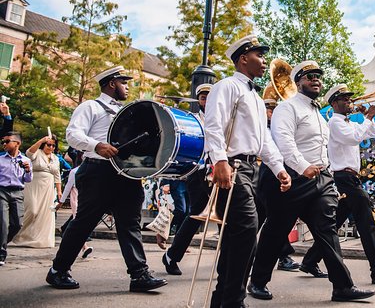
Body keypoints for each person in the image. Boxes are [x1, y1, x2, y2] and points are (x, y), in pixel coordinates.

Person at [249, 61, 375, 303]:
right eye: (309, 76)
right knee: (276, 230)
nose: (315, 79)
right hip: (291, 177)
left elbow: (321, 146)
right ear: (298, 82)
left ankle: (342, 287)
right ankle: (257, 281)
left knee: (327, 230)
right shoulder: (288, 108)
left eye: (318, 76)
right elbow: (284, 142)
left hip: (320, 179)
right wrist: (301, 166)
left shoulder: (317, 112)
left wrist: (325, 171)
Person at [46, 66, 167, 292]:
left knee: (130, 223)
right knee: (84, 223)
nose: (128, 86)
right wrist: (96, 145)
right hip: (98, 171)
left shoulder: (129, 112)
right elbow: (73, 134)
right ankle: (58, 271)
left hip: (126, 173)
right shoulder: (90, 106)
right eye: (124, 82)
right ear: (112, 83)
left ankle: (139, 275)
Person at [204, 35, 291, 308]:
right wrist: (219, 160)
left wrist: (279, 168)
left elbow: (263, 140)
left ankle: (223, 299)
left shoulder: (254, 96)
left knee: (235, 238)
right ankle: (233, 300)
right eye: (259, 55)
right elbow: (214, 125)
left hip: (250, 169)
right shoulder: (226, 86)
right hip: (233, 167)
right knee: (246, 234)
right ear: (243, 58)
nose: (264, 61)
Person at [300, 84, 375, 285]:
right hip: (342, 179)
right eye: (345, 99)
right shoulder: (335, 123)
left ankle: (310, 261)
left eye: (349, 99)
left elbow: (368, 134)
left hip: (350, 179)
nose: (349, 102)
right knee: (366, 224)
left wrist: (366, 118)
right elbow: (354, 137)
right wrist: (369, 117)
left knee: (334, 223)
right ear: (334, 103)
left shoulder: (348, 122)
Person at [162, 82, 215, 275]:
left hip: (221, 170)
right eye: (203, 98)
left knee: (230, 217)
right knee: (195, 215)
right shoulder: (192, 120)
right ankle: (172, 256)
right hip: (199, 172)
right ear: (199, 101)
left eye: (210, 97)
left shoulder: (222, 118)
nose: (207, 101)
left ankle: (229, 264)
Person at [257, 97, 300, 272]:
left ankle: (282, 256)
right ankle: (280, 256)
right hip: (266, 174)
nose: (272, 113)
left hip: (281, 173)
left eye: (274, 110)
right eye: (269, 110)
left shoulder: (282, 126)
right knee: (267, 218)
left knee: (273, 217)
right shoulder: (262, 128)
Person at [11, 135, 62, 248]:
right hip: (33, 184)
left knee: (45, 214)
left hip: (48, 187)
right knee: (32, 210)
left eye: (53, 145)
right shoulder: (37, 153)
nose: (51, 147)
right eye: (49, 144)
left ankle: (41, 239)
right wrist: (41, 140)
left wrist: (59, 191)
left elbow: (57, 175)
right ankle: (18, 235)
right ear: (44, 144)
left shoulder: (55, 158)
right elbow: (28, 152)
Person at [0, 131, 32, 266]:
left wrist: (28, 170)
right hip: (2, 192)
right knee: (3, 223)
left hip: (18, 193)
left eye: (7, 141)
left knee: (17, 224)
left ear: (17, 143)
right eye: (3, 142)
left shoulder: (26, 160)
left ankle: (1, 243)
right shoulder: (0, 159)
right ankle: (1, 253)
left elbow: (28, 180)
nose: (4, 144)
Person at [56, 166, 93, 258]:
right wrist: (61, 202)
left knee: (78, 223)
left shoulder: (94, 169)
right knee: (78, 222)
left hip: (87, 198)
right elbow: (68, 187)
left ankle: (66, 234)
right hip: (76, 197)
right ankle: (84, 246)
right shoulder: (75, 171)